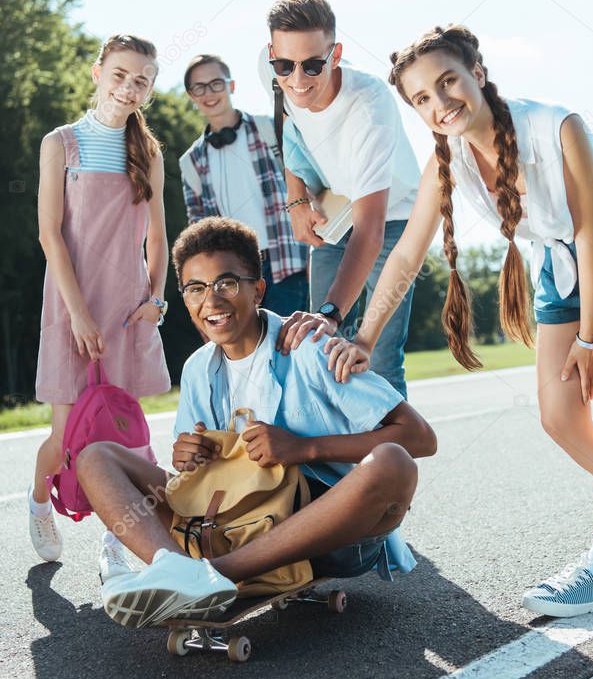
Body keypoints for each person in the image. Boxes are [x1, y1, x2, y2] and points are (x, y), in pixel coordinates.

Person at [323, 24, 593, 618]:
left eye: (448, 83)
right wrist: (363, 336)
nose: (440, 104)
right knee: (558, 414)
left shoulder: (555, 125)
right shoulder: (448, 162)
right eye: (422, 98)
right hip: (559, 252)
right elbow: (408, 255)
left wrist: (590, 338)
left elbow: (592, 233)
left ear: (478, 74)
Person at [75, 217, 436, 628]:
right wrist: (188, 456)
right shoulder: (197, 369)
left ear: (257, 289)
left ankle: (213, 576)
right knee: (95, 457)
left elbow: (420, 438)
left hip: (322, 532)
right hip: (230, 524)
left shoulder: (308, 346)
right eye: (196, 288)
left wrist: (305, 449)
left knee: (394, 462)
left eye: (226, 283)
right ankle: (175, 568)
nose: (211, 300)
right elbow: (197, 485)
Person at [30, 34, 171, 565]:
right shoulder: (60, 144)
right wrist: (79, 314)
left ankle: (117, 541)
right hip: (70, 304)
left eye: (141, 80)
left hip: (128, 308)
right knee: (66, 437)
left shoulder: (150, 153)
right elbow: (50, 235)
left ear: (149, 90)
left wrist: (156, 300)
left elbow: (158, 236)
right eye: (120, 74)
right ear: (97, 73)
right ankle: (41, 502)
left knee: (125, 438)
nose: (128, 87)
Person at [260, 0, 421, 398]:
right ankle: (338, 458)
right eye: (285, 65)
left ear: (336, 54)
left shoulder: (368, 107)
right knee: (318, 348)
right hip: (337, 210)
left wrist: (332, 313)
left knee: (377, 351)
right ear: (272, 55)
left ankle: (395, 458)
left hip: (392, 220)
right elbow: (287, 129)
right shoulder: (271, 75)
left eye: (313, 65)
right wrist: (296, 200)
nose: (297, 80)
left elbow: (370, 232)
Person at [180, 53, 308, 317]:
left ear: (232, 86)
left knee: (290, 346)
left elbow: (307, 185)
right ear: (191, 95)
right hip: (232, 274)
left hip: (286, 260)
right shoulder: (191, 162)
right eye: (199, 87)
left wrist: (313, 253)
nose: (209, 93)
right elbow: (199, 230)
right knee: (250, 353)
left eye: (216, 83)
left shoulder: (270, 128)